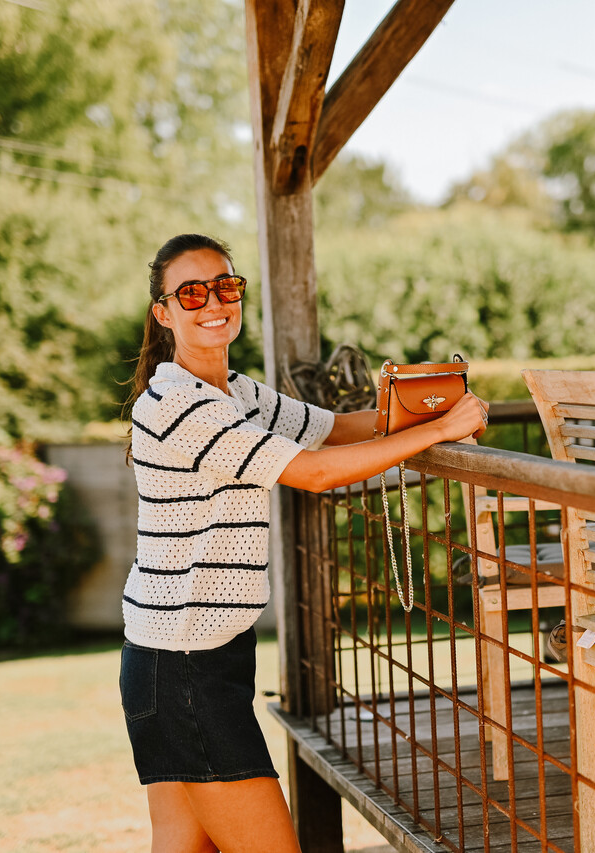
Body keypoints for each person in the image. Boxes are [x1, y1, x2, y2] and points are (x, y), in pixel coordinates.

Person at [118, 233, 489, 853]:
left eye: (225, 286)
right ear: (163, 312)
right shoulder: (177, 404)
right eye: (190, 292)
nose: (212, 302)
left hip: (189, 659)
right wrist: (443, 431)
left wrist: (433, 407)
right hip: (184, 669)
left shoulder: (238, 393)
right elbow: (313, 474)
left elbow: (335, 431)